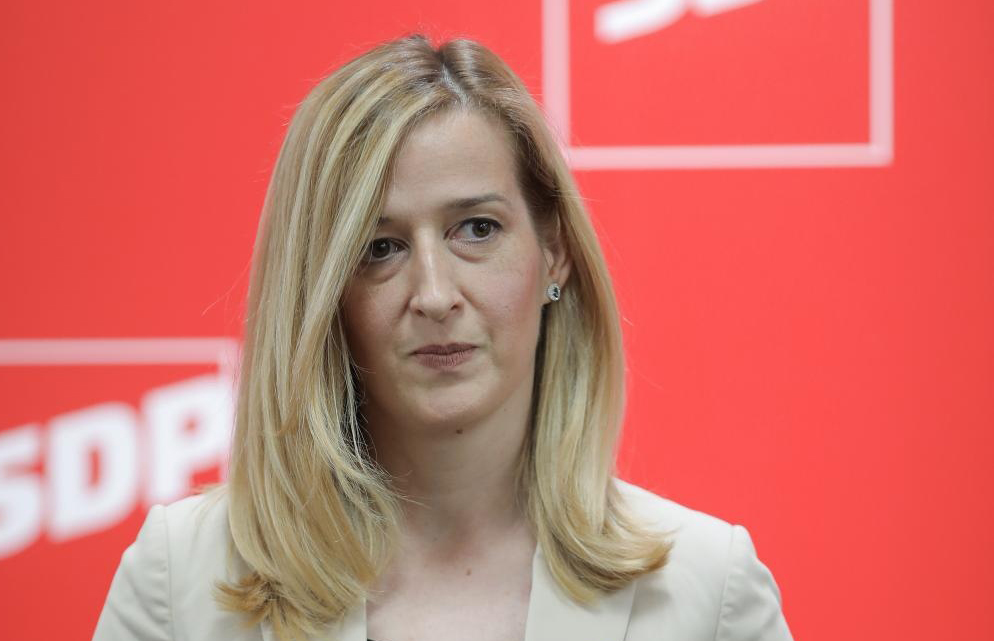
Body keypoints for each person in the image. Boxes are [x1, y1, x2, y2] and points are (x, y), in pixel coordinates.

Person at [91, 34, 793, 641]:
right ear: (321, 291)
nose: (433, 294)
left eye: (477, 230)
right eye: (379, 248)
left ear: (554, 252)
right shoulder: (182, 578)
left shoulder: (707, 588)